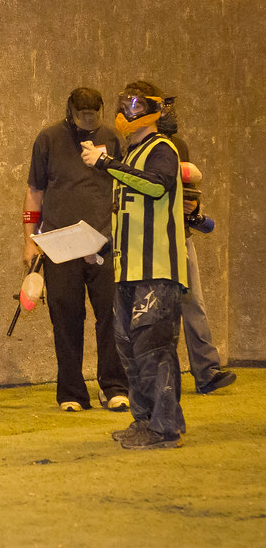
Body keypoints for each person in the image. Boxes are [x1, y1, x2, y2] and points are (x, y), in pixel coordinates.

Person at [81, 80, 187, 450]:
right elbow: (130, 217)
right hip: (128, 270)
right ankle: (144, 422)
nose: (128, 111)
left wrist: (106, 163)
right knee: (129, 349)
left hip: (157, 270)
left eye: (137, 104)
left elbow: (157, 187)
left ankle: (164, 429)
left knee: (154, 349)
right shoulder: (130, 157)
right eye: (125, 103)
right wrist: (103, 249)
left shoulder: (162, 148)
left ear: (155, 110)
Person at [23, 88, 130, 412]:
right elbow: (34, 193)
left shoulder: (113, 139)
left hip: (104, 244)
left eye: (94, 116)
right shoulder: (49, 139)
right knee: (66, 319)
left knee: (111, 317)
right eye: (82, 116)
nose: (88, 122)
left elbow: (126, 186)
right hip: (61, 245)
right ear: (70, 111)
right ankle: (71, 392)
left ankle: (113, 387)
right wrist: (30, 241)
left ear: (101, 111)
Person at [157, 96, 237, 395]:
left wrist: (192, 210)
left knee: (194, 305)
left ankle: (207, 372)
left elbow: (186, 189)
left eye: (170, 109)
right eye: (163, 109)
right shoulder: (136, 149)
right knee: (153, 312)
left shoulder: (178, 145)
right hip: (151, 240)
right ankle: (154, 380)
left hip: (181, 236)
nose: (169, 115)